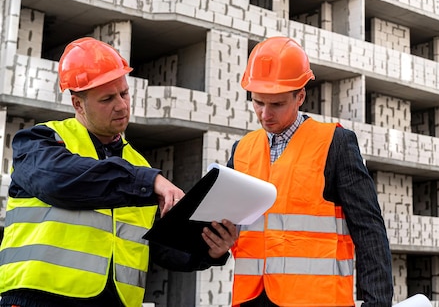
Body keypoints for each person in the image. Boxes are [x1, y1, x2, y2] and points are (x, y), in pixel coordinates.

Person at [0, 37, 237, 307]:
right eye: (107, 98)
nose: (122, 105)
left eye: (124, 93)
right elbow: (61, 181)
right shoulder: (40, 141)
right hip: (39, 298)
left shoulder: (140, 168)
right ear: (78, 104)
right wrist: (149, 181)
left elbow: (158, 245)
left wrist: (208, 250)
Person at [228, 36, 394, 307]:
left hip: (317, 300)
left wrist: (377, 303)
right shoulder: (241, 150)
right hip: (252, 299)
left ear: (300, 96)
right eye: (258, 102)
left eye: (277, 104)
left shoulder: (336, 144)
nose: (265, 114)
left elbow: (369, 230)